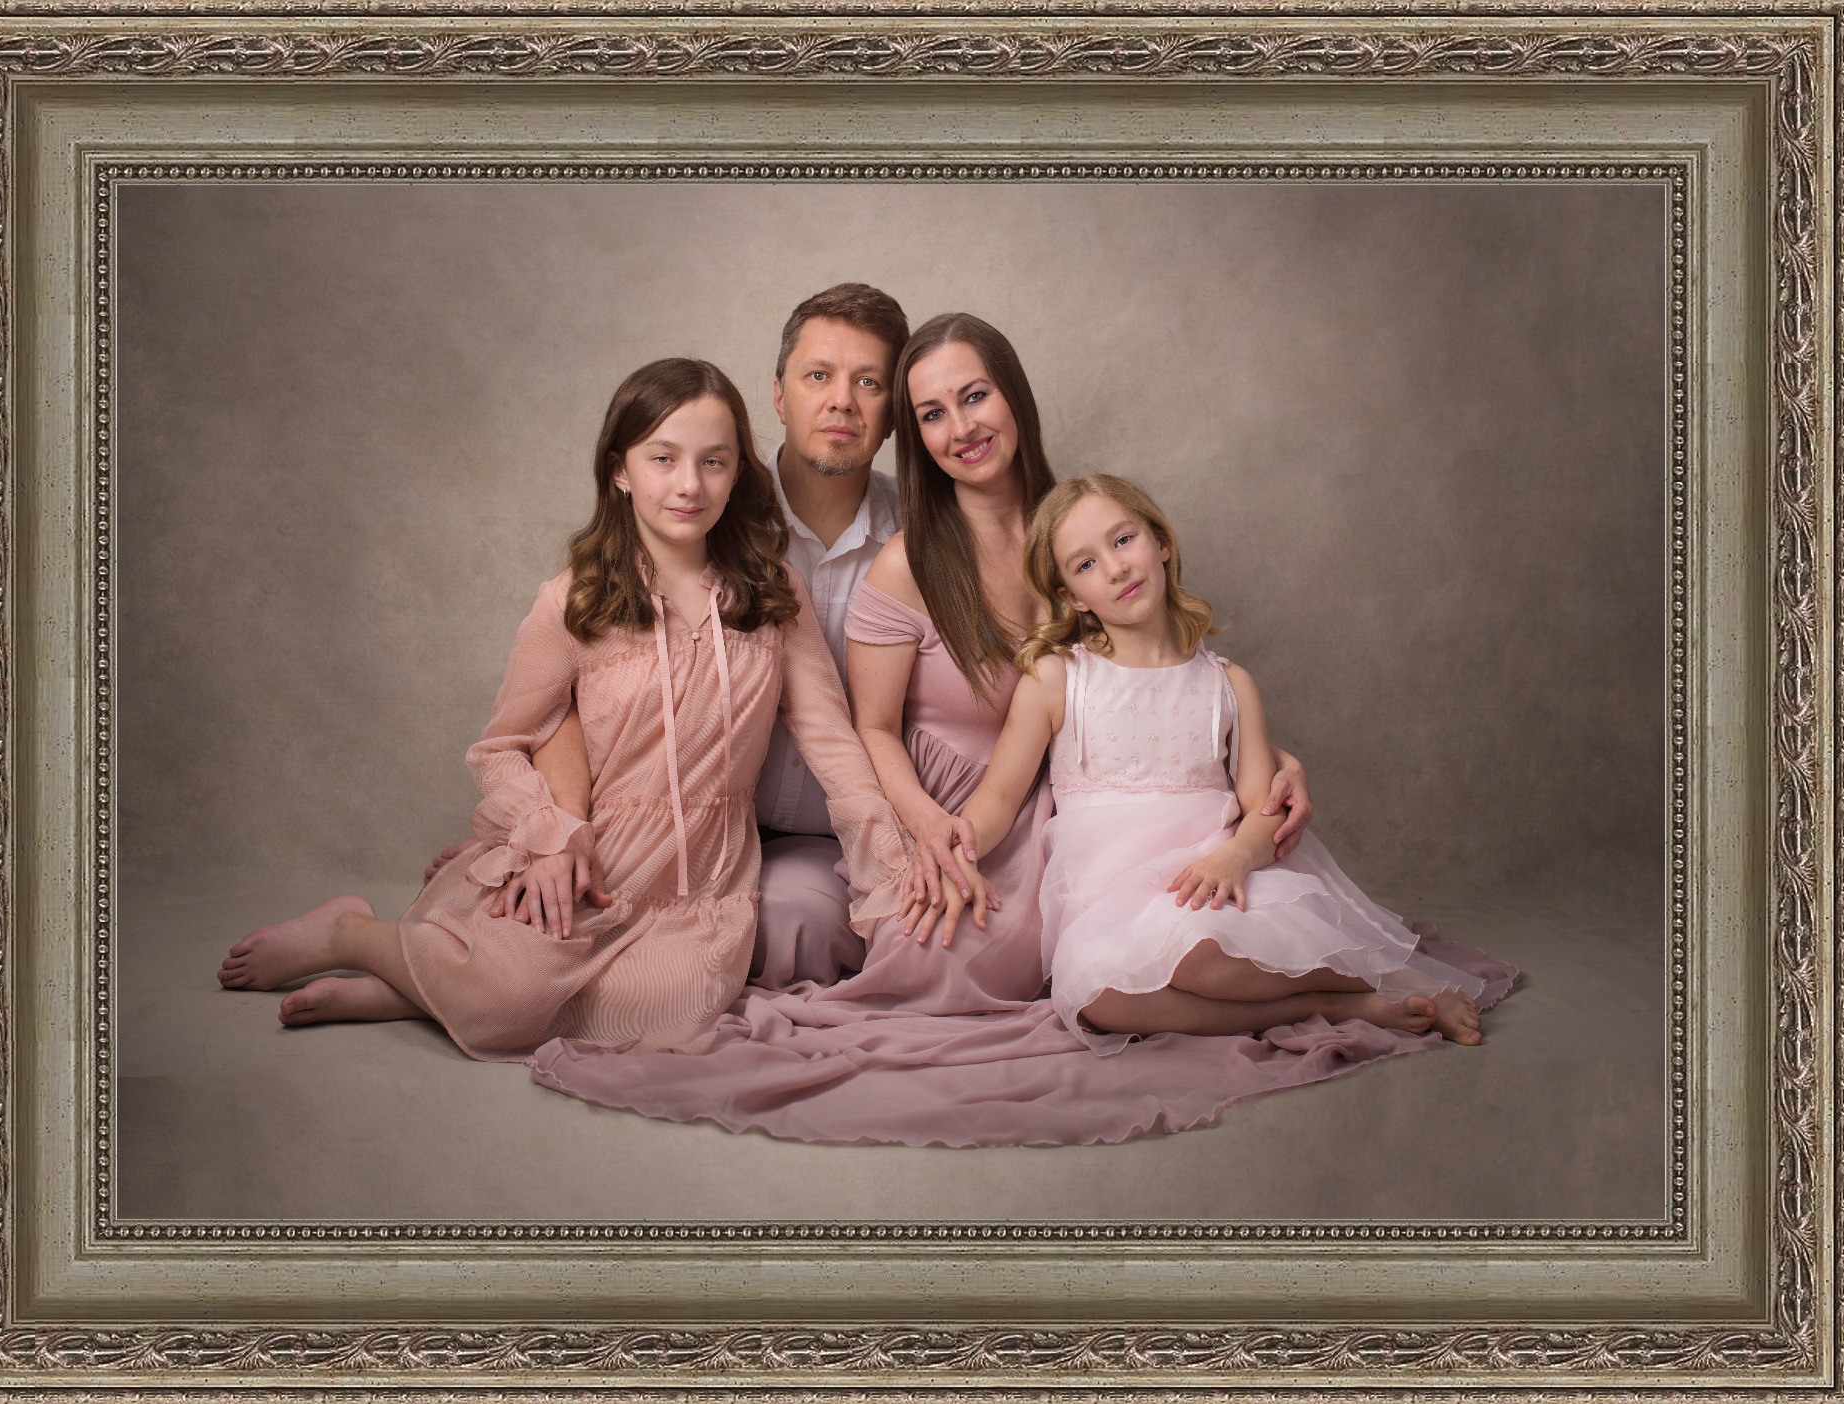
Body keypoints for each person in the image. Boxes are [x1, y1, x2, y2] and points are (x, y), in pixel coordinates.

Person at [526, 320, 1514, 1145]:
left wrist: (1261, 762)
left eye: (977, 397)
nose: (961, 426)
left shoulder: (1079, 530)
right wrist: (924, 832)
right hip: (945, 810)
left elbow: (1165, 670)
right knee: (936, 962)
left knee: (1088, 945)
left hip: (1078, 813)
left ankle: (1322, 985)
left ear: (1015, 399)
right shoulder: (888, 556)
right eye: (932, 412)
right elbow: (861, 724)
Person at [216, 358, 911, 1058]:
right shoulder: (574, 600)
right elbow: (501, 745)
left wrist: (888, 857)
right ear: (620, 470)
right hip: (595, 862)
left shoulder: (770, 590)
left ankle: (408, 990)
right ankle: (354, 936)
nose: (689, 485)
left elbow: (830, 740)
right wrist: (548, 833)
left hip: (703, 877)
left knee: (673, 1012)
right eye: (662, 459)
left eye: (714, 462)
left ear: (737, 472)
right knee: (515, 990)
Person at [948, 473, 1491, 1051]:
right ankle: (1332, 1004)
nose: (1114, 568)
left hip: (1208, 882)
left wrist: (1234, 857)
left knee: (1202, 960)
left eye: (1123, 540)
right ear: (1071, 597)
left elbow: (1265, 809)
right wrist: (959, 848)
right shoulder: (1058, 678)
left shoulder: (1226, 684)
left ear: (1161, 543)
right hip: (1108, 905)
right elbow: (1000, 797)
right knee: (1097, 997)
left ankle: (1394, 981)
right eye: (1084, 565)